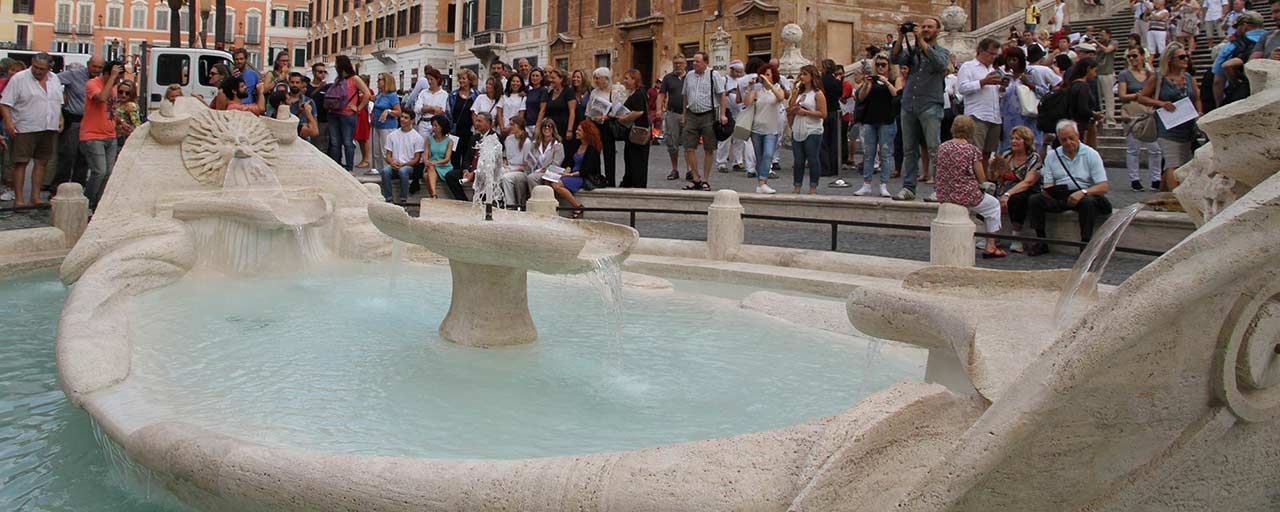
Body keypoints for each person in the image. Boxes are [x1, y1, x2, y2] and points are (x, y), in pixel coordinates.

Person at [1026, 120, 1112, 255]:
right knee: (1035, 200)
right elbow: (1048, 182)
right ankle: (1041, 240)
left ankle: (1085, 242)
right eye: (1063, 140)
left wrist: (1083, 192)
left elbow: (1103, 186)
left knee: (1088, 203)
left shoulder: (1091, 154)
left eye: (1071, 138)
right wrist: (1049, 190)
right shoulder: (1053, 155)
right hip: (1061, 194)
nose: (1068, 143)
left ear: (1078, 136)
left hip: (1084, 193)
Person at [890, 17, 951, 201]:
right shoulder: (913, 51)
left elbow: (940, 64)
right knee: (909, 149)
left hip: (930, 104)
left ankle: (940, 188)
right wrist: (901, 37)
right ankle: (909, 187)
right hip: (909, 103)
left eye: (929, 27)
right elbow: (895, 58)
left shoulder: (943, 52)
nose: (925, 29)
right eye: (923, 26)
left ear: (938, 30)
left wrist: (922, 43)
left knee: (934, 148)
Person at [0, 52, 63, 206]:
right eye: (35, 67)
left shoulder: (54, 79)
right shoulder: (19, 78)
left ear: (49, 68)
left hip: (49, 126)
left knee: (42, 162)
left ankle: (35, 197)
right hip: (24, 125)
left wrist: (60, 118)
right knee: (21, 162)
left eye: (42, 69)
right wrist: (9, 123)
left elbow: (57, 101)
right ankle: (19, 199)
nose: (38, 71)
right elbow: (4, 103)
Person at [936, 115, 1004, 258]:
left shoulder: (942, 147)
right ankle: (990, 245)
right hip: (965, 195)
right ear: (971, 130)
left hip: (944, 193)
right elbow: (981, 178)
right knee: (993, 205)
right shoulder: (972, 150)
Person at [1138, 42, 1202, 191]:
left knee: (1182, 162)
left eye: (1186, 56)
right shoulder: (1159, 78)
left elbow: (1197, 97)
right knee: (1173, 163)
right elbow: (1142, 97)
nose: (1186, 59)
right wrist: (1161, 103)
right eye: (1181, 57)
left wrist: (1199, 113)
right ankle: (1176, 198)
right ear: (1170, 60)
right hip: (1168, 127)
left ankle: (1163, 195)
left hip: (1187, 127)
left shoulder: (1188, 77)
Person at [680, 52, 727, 191]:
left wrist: (723, 114)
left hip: (708, 115)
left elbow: (722, 94)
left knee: (709, 148)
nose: (694, 63)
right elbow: (685, 95)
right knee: (689, 147)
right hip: (692, 114)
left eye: (697, 61)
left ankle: (706, 179)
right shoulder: (689, 75)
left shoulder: (714, 75)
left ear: (705, 62)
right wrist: (684, 114)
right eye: (693, 61)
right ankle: (696, 177)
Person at [1118, 49, 1163, 191]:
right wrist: (1137, 96)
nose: (1132, 58)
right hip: (1133, 113)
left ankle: (1156, 178)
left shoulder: (1151, 74)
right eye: (1129, 56)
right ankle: (1134, 179)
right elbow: (1122, 95)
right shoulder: (1124, 74)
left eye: (1135, 55)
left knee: (1155, 149)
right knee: (1133, 148)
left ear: (1142, 57)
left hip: (1149, 112)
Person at [82, 59, 124, 210]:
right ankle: (86, 203)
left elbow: (109, 108)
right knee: (99, 171)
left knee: (109, 173)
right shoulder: (92, 84)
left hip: (110, 135)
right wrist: (112, 78)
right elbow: (101, 99)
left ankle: (98, 206)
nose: (117, 81)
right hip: (93, 135)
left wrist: (120, 122)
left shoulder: (112, 86)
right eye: (115, 77)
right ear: (106, 73)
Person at [52, 57, 99, 191]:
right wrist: (61, 98)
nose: (96, 70)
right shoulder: (74, 74)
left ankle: (78, 188)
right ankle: (58, 188)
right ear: (88, 64)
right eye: (94, 66)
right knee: (68, 155)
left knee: (84, 157)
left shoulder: (100, 80)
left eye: (100, 67)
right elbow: (53, 80)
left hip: (91, 122)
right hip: (74, 120)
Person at [855, 55, 898, 197]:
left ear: (889, 66)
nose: (880, 67)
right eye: (878, 64)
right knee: (868, 153)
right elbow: (861, 97)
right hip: (870, 119)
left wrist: (885, 82)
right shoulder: (871, 80)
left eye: (883, 65)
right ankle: (866, 184)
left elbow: (896, 94)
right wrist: (867, 84)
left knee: (885, 153)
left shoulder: (892, 80)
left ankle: (883, 184)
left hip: (887, 119)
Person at [995, 126, 1043, 253]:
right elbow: (997, 176)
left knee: (1018, 199)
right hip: (1006, 187)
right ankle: (992, 234)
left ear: (1026, 141)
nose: (1013, 141)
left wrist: (1007, 194)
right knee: (988, 196)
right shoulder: (1006, 155)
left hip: (1025, 189)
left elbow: (1028, 182)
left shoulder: (1034, 158)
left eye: (1018, 139)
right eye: (1012, 138)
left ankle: (1016, 236)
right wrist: (993, 167)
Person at [957, 38, 1005, 162]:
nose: (993, 57)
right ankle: (975, 179)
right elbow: (962, 88)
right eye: (991, 53)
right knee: (975, 152)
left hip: (994, 116)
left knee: (988, 153)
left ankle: (984, 179)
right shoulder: (968, 67)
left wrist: (1002, 87)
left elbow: (994, 93)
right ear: (980, 51)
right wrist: (983, 82)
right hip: (977, 115)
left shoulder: (992, 70)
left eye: (996, 54)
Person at [325, 55, 372, 174]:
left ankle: (349, 168)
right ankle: (337, 166)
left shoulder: (354, 78)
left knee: (346, 141)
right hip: (336, 113)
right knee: (336, 142)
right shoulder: (339, 79)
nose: (335, 66)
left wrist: (358, 108)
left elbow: (367, 94)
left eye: (336, 64)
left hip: (346, 114)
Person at [745, 63, 786, 194]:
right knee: (759, 157)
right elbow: (747, 103)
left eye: (768, 74)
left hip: (771, 129)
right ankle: (761, 183)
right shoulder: (757, 90)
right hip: (756, 129)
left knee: (768, 155)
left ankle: (763, 181)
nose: (765, 77)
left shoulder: (778, 89)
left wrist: (770, 85)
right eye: (763, 75)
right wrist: (750, 87)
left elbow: (780, 98)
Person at [788, 65, 827, 195]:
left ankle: (813, 186)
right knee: (798, 160)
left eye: (805, 74)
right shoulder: (800, 93)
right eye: (801, 74)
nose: (802, 77)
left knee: (812, 158)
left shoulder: (818, 94)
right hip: (798, 127)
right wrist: (795, 94)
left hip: (812, 128)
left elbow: (823, 113)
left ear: (812, 76)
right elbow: (791, 105)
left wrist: (805, 112)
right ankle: (797, 185)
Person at [1215, 11, 1267, 105]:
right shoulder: (1273, 39)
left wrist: (1218, 105)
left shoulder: (1230, 46)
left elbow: (1218, 81)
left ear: (1244, 25)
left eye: (1237, 27)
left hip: (1245, 96)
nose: (1235, 30)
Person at [444, 111, 498, 201]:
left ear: (488, 123)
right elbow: (468, 157)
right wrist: (466, 170)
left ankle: (484, 202)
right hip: (471, 169)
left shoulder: (495, 138)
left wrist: (474, 173)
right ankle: (463, 201)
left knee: (484, 177)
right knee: (451, 175)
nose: (477, 123)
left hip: (485, 171)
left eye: (480, 121)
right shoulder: (473, 138)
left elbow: (491, 162)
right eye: (476, 121)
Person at [584, 67, 620, 187]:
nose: (596, 80)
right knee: (594, 154)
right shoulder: (594, 92)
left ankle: (611, 181)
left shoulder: (614, 92)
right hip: (595, 125)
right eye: (595, 78)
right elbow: (589, 109)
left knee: (609, 154)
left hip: (607, 125)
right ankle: (597, 178)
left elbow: (617, 110)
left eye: (598, 78)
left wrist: (606, 117)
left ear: (606, 78)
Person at [380, 111, 424, 204]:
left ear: (412, 120)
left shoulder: (417, 137)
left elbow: (416, 159)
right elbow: (388, 155)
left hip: (409, 166)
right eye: (402, 117)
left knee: (403, 171)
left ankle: (403, 200)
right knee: (385, 171)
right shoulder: (392, 135)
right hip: (394, 164)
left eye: (406, 118)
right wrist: (392, 162)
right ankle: (389, 199)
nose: (402, 119)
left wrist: (404, 164)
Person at [617, 69, 651, 188]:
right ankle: (629, 180)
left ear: (634, 80)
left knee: (638, 160)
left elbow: (639, 112)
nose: (624, 81)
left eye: (627, 78)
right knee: (630, 158)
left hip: (639, 133)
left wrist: (623, 119)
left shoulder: (639, 93)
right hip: (631, 133)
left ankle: (637, 184)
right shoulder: (632, 93)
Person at [657, 55, 687, 181]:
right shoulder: (668, 78)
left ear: (685, 64)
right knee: (672, 143)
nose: (678, 66)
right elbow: (662, 94)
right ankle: (674, 169)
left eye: (680, 63)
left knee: (689, 143)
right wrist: (659, 109)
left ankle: (690, 170)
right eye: (675, 63)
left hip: (688, 114)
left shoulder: (691, 77)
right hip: (672, 113)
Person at [368, 73, 402, 177]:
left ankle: (387, 173)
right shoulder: (379, 94)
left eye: (380, 80)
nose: (377, 82)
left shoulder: (392, 96)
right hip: (376, 125)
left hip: (387, 126)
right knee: (376, 151)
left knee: (385, 151)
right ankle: (380, 171)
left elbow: (399, 112)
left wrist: (388, 111)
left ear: (386, 81)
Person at [540, 68, 577, 164]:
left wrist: (569, 129)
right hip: (552, 128)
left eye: (553, 78)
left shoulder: (568, 91)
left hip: (563, 127)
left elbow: (572, 111)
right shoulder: (550, 92)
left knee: (565, 154)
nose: (550, 80)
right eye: (550, 78)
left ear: (561, 79)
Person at [525, 117, 567, 199]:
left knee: (531, 178)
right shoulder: (535, 144)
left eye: (549, 126)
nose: (547, 128)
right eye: (544, 126)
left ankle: (538, 199)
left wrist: (545, 169)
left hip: (551, 172)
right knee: (527, 176)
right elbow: (530, 161)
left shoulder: (557, 145)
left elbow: (556, 164)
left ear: (553, 129)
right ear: (541, 129)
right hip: (536, 171)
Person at [446, 69, 478, 170]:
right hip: (455, 131)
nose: (461, 80)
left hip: (469, 131)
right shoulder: (453, 95)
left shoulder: (476, 95)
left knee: (467, 156)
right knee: (454, 155)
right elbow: (448, 112)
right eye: (460, 78)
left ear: (470, 80)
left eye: (464, 78)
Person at [499, 116, 532, 205]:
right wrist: (504, 164)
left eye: (512, 125)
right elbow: (505, 157)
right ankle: (499, 200)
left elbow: (526, 164)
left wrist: (511, 169)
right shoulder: (508, 139)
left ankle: (511, 203)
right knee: (497, 172)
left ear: (519, 125)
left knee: (506, 177)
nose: (510, 127)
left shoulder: (527, 142)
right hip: (509, 167)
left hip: (521, 171)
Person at [820, 59, 844, 178]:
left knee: (823, 141)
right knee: (834, 141)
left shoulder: (820, 81)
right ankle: (835, 167)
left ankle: (825, 167)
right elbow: (840, 94)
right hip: (834, 110)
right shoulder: (836, 81)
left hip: (823, 111)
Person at [422, 116, 454, 199]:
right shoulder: (429, 139)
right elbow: (425, 154)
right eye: (432, 125)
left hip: (443, 166)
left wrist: (435, 162)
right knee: (429, 170)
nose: (433, 128)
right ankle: (434, 195)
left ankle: (432, 195)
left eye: (436, 126)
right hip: (431, 165)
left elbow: (447, 159)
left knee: (427, 175)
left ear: (442, 126)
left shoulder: (449, 141)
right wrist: (426, 161)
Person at [413, 67, 448, 140]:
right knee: (422, 146)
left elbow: (441, 111)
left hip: (437, 125)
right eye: (428, 79)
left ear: (437, 79)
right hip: (423, 124)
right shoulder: (423, 93)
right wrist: (432, 108)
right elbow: (417, 108)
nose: (429, 81)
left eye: (431, 79)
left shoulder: (444, 94)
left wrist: (425, 108)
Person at [1094, 30, 1119, 127]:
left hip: (1107, 72)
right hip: (1097, 72)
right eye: (1099, 34)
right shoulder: (1098, 44)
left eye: (1102, 35)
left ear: (1108, 35)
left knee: (1109, 97)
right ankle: (1100, 118)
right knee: (1098, 98)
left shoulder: (1113, 42)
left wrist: (1097, 43)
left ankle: (1110, 119)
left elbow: (1107, 50)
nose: (1100, 36)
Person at [286, 72, 320, 141]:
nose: (294, 85)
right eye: (292, 82)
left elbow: (314, 123)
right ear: (288, 83)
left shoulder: (309, 101)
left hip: (304, 138)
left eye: (297, 82)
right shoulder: (283, 100)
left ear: (301, 84)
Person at [472, 75, 503, 144]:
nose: (487, 86)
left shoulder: (500, 99)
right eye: (487, 84)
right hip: (479, 131)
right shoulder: (480, 97)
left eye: (490, 84)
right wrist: (477, 127)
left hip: (492, 131)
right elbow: (474, 114)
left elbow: (499, 115)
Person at [308, 62, 330, 154]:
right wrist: (320, 88)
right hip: (313, 119)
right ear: (313, 72)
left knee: (325, 145)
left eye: (324, 72)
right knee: (315, 145)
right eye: (320, 72)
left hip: (325, 119)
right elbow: (309, 98)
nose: (323, 74)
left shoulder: (327, 87)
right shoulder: (308, 87)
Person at [353, 75, 373, 171]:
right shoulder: (357, 92)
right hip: (358, 116)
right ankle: (363, 158)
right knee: (360, 139)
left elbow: (369, 104)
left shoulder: (368, 91)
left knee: (364, 138)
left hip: (364, 116)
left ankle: (366, 159)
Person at [114, 80, 141, 149]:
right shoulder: (117, 103)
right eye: (120, 92)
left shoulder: (131, 105)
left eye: (127, 93)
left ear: (132, 94)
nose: (123, 95)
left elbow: (136, 124)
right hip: (114, 135)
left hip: (124, 137)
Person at [498, 74, 526, 138]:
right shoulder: (503, 96)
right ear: (510, 82)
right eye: (513, 81)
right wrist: (502, 128)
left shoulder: (523, 98)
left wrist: (510, 129)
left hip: (515, 130)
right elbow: (499, 113)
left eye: (517, 81)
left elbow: (520, 116)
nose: (515, 83)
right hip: (502, 129)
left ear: (521, 83)